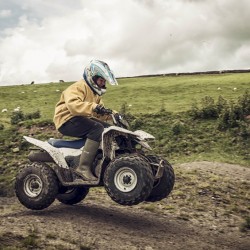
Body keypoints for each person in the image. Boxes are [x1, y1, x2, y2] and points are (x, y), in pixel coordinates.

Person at [53, 60, 118, 181]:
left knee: (108, 129)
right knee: (97, 128)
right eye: (101, 80)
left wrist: (113, 114)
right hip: (66, 119)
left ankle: (102, 161)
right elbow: (73, 105)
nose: (102, 83)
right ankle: (83, 168)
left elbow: (100, 112)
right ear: (92, 77)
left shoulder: (96, 94)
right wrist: (93, 107)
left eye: (104, 81)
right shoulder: (78, 87)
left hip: (79, 118)